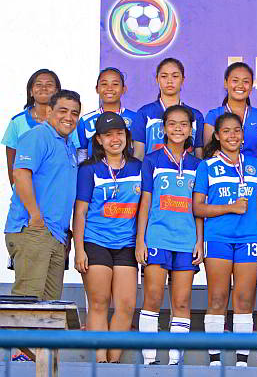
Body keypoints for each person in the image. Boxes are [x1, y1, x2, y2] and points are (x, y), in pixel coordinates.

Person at [194, 113, 257, 367]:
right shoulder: (207, 166)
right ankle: (215, 361)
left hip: (249, 238)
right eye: (226, 131)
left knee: (245, 300)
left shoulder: (256, 166)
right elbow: (198, 208)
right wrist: (229, 207)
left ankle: (241, 362)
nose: (232, 136)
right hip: (218, 238)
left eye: (237, 130)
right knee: (217, 298)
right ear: (217, 135)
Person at [136, 105, 202, 365]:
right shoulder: (152, 160)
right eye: (172, 124)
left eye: (183, 124)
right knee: (152, 298)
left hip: (186, 241)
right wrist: (141, 240)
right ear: (163, 128)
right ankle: (149, 359)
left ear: (190, 130)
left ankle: (176, 361)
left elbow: (199, 207)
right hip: (157, 238)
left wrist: (199, 240)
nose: (177, 128)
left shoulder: (198, 165)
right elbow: (145, 204)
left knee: (182, 301)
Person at [73, 112, 141, 363]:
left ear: (126, 136)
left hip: (126, 245)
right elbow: (79, 212)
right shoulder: (88, 169)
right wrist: (79, 249)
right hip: (95, 242)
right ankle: (100, 362)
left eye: (120, 133)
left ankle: (113, 364)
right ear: (99, 140)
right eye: (108, 135)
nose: (115, 139)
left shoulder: (138, 167)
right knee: (99, 303)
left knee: (125, 305)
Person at [4, 90, 80, 300]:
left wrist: (65, 231)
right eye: (63, 111)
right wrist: (35, 215)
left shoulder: (69, 145)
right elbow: (20, 174)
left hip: (56, 234)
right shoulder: (37, 135)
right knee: (27, 303)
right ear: (48, 111)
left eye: (74, 113)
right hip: (34, 229)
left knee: (49, 307)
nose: (69, 117)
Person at [131, 57, 204, 160]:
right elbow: (139, 156)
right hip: (152, 173)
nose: (169, 81)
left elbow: (199, 156)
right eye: (164, 76)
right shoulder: (144, 113)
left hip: (187, 174)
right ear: (157, 79)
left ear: (183, 79)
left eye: (175, 76)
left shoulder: (196, 116)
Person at [2, 69, 62, 186]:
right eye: (38, 85)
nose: (43, 88)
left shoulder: (66, 121)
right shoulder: (17, 122)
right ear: (31, 92)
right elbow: (11, 162)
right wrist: (17, 190)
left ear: (57, 91)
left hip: (57, 191)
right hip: (27, 190)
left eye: (49, 85)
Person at [203, 62, 257, 160]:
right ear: (225, 83)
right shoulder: (213, 116)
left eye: (245, 81)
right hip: (223, 173)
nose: (240, 85)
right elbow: (208, 153)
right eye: (235, 80)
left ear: (251, 86)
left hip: (253, 173)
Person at [76, 68, 136, 163]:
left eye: (115, 84)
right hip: (95, 175)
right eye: (104, 84)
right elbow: (82, 154)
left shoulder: (136, 118)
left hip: (127, 174)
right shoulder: (85, 121)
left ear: (124, 89)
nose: (109, 88)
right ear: (97, 89)